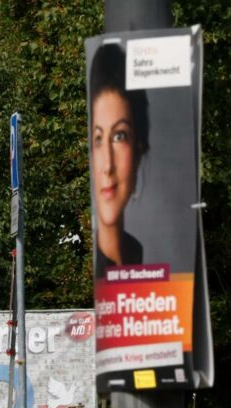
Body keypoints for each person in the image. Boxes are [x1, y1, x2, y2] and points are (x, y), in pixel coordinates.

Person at [89, 43, 149, 279]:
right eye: (97, 138)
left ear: (139, 150)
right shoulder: (101, 267)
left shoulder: (136, 253)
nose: (108, 166)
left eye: (119, 136)